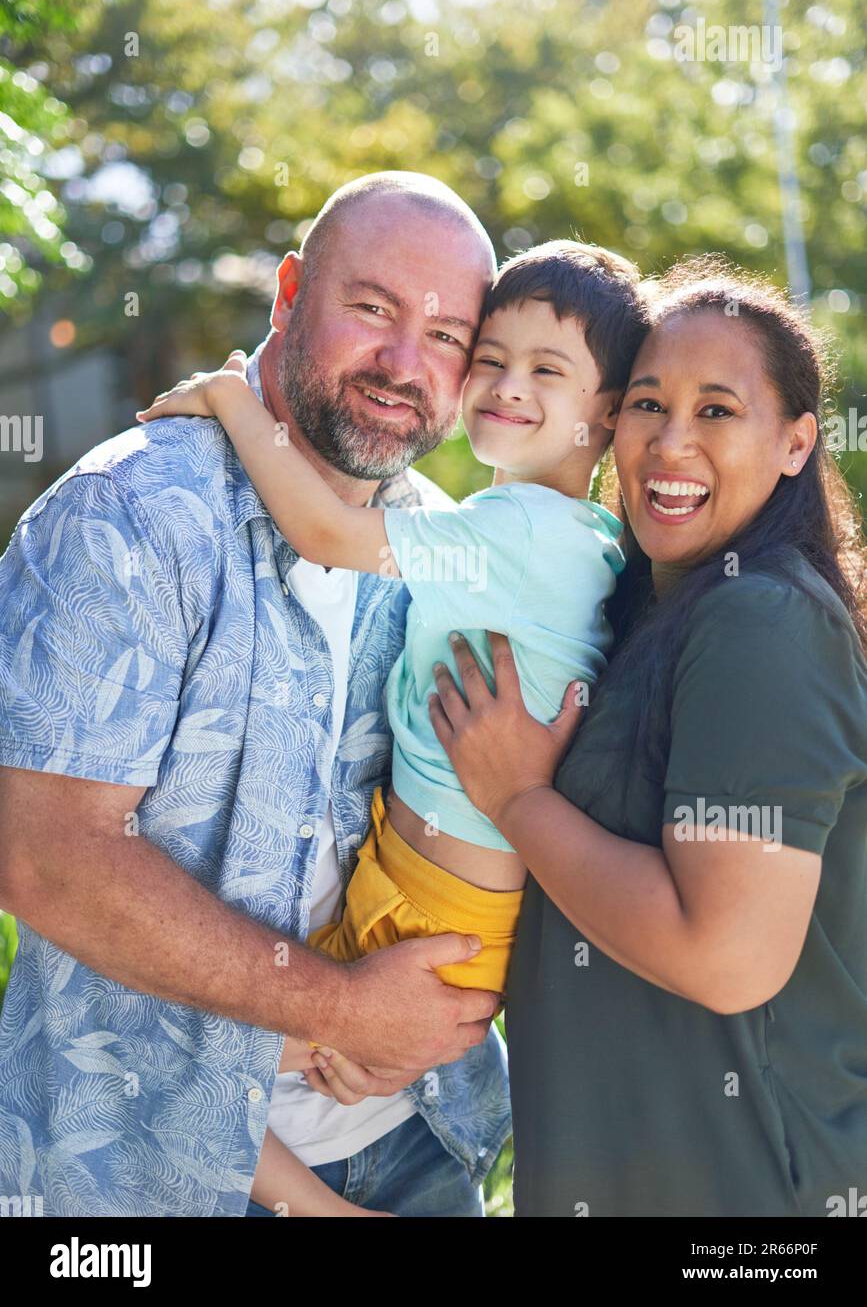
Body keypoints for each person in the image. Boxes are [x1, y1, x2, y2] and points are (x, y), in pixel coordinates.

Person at [0, 172, 512, 1218]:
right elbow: (43, 855)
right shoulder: (130, 515)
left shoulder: (447, 545)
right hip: (143, 1174)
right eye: (372, 308)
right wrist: (343, 1009)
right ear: (290, 293)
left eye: (448, 334)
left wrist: (408, 1026)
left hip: (414, 1138)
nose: (404, 364)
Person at [136, 237, 649, 1215]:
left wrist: (233, 399)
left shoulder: (519, 535)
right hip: (429, 884)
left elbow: (326, 533)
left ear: (609, 412)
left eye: (547, 370)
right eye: (490, 357)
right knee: (253, 1048)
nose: (503, 384)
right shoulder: (566, 536)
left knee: (198, 1047)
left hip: (439, 909)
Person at [424, 257, 867, 1216]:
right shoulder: (634, 605)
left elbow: (725, 956)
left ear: (795, 444)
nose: (670, 445)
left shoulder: (763, 621)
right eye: (645, 405)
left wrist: (520, 800)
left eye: (717, 411)